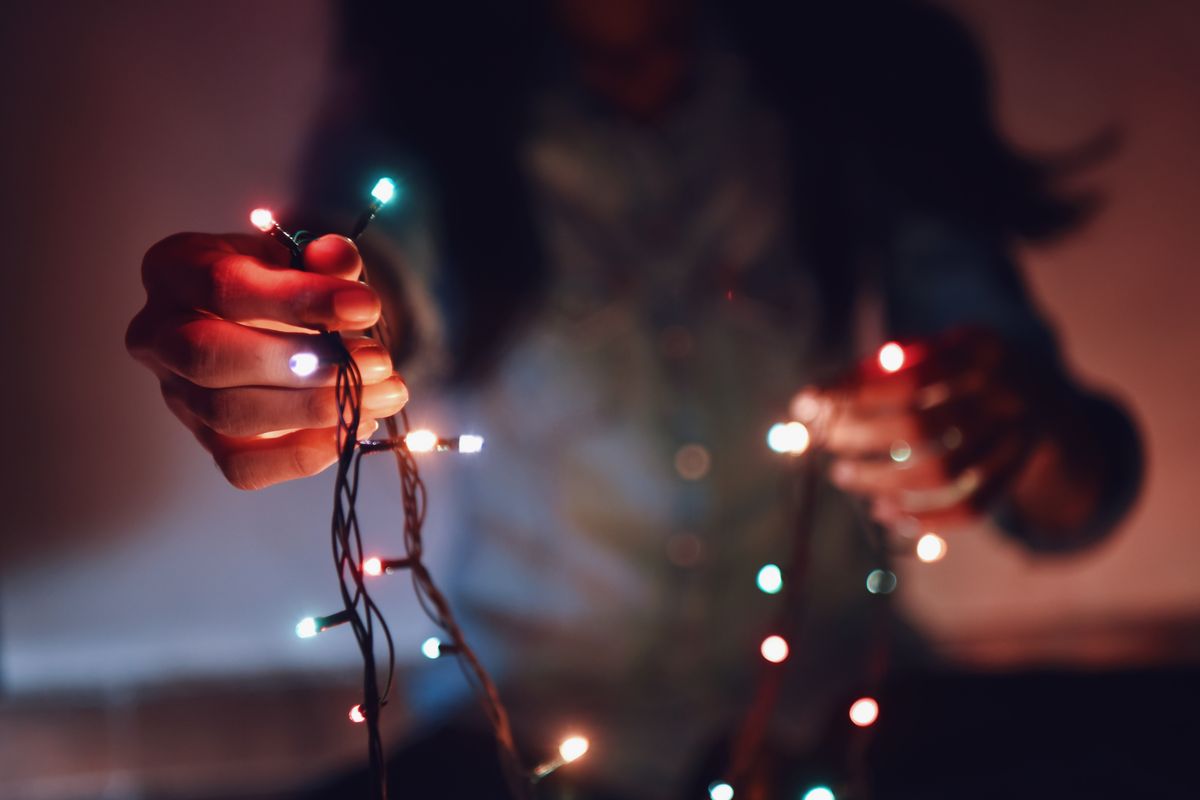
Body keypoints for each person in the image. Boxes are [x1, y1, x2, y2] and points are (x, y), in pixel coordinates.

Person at [126, 1, 1141, 797]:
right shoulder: (418, 103)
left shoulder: (868, 75)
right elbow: (376, 265)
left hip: (842, 737)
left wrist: (1016, 423)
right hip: (510, 750)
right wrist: (309, 317)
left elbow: (1072, 487)